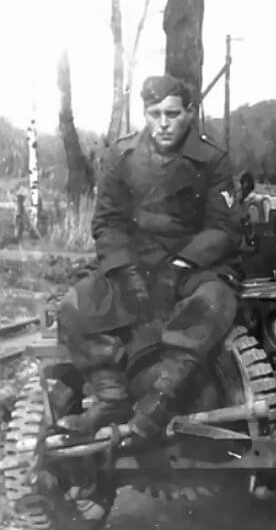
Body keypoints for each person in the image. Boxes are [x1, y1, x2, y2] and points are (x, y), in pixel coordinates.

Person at [57, 74, 243, 442]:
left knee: (213, 301)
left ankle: (159, 401)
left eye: (172, 113)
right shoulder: (121, 156)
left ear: (190, 112)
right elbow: (108, 223)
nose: (163, 123)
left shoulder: (212, 160)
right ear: (145, 112)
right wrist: (124, 270)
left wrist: (181, 265)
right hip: (135, 264)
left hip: (193, 266)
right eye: (154, 113)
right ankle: (110, 396)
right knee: (78, 302)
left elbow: (223, 229)